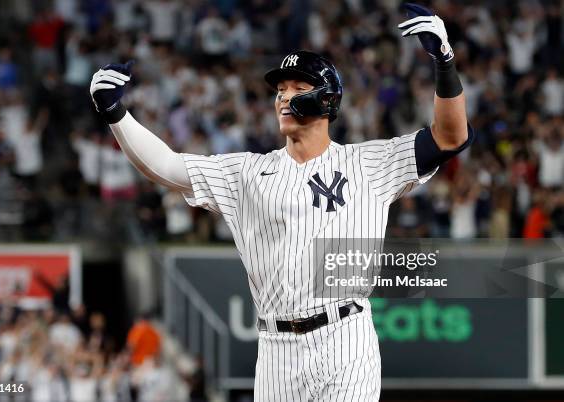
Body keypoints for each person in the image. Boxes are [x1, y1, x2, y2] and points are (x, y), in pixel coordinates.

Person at [89, 3, 474, 400]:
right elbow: (166, 166)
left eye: (298, 88)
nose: (284, 97)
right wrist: (116, 113)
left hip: (345, 337)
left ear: (327, 101)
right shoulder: (247, 173)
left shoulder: (368, 163)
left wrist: (444, 62)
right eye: (280, 90)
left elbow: (450, 136)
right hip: (276, 350)